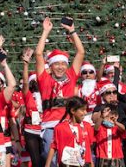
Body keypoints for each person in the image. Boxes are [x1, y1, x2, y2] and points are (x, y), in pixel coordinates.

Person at [34, 17, 86, 165]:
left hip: (69, 124)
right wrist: (45, 32)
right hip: (50, 125)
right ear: (50, 66)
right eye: (56, 63)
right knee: (50, 157)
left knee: (70, 158)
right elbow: (38, 55)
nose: (60, 67)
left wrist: (72, 31)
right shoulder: (44, 79)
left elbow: (80, 53)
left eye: (63, 63)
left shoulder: (71, 76)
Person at [44, 97, 93, 167]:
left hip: (84, 164)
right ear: (73, 111)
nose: (85, 113)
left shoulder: (87, 126)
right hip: (66, 164)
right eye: (82, 110)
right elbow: (53, 146)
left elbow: (88, 149)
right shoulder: (60, 128)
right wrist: (47, 165)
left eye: (86, 110)